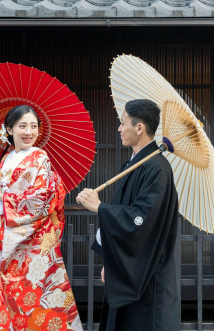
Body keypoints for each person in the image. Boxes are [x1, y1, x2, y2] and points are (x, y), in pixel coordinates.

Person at [0, 105, 82, 331]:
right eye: (22, 126)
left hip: (29, 245)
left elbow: (43, 198)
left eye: (33, 126)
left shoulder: (40, 158)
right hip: (0, 241)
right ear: (9, 130)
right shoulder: (2, 160)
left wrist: (2, 194)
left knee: (29, 302)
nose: (29, 132)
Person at [76, 99, 180, 331]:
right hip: (127, 269)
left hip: (146, 272)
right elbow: (124, 208)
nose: (119, 128)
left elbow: (142, 220)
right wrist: (111, 261)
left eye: (123, 123)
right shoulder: (134, 164)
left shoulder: (158, 169)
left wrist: (100, 207)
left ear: (139, 128)